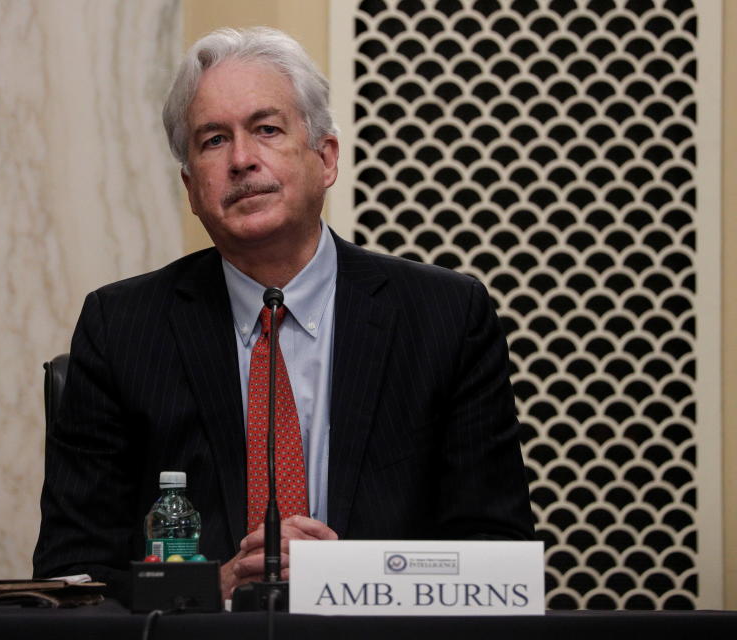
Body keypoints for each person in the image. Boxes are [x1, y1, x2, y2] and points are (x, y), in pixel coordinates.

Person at [33, 27, 534, 601]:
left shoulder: (445, 316)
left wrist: (350, 577)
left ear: (325, 158)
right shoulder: (121, 328)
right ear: (191, 187)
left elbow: (499, 552)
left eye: (267, 129)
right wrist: (208, 588)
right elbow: (70, 572)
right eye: (214, 140)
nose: (243, 159)